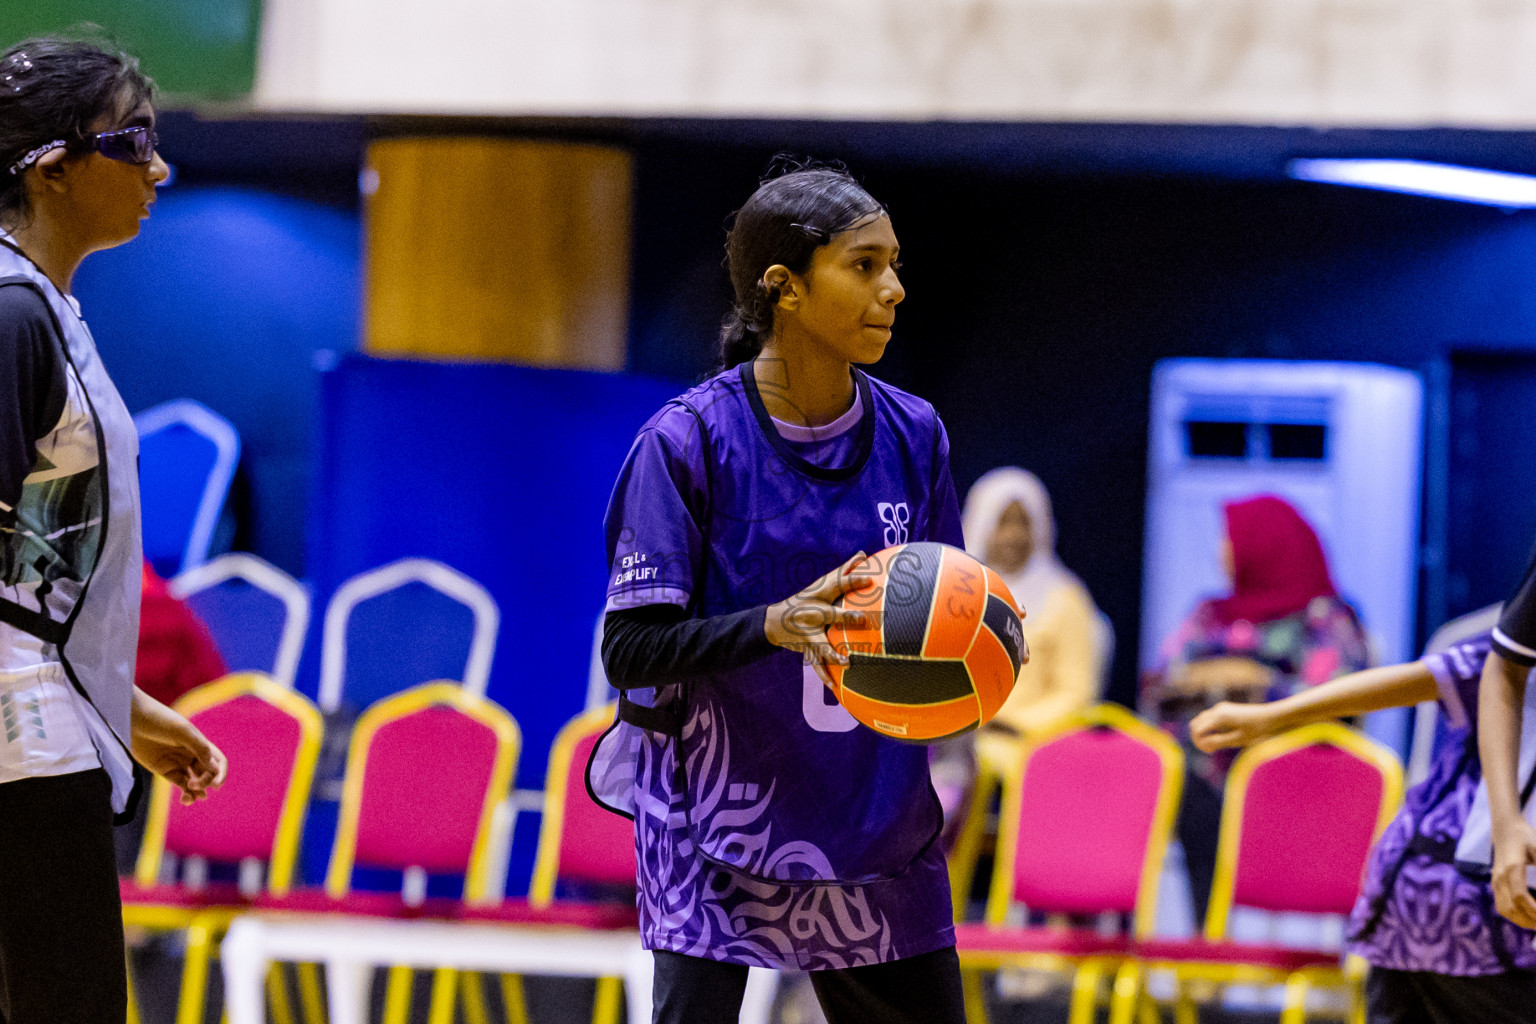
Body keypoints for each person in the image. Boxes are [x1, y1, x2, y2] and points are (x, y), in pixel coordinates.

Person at [586, 162, 983, 1024]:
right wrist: (772, 625)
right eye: (865, 265)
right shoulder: (687, 442)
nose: (895, 289)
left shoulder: (915, 435)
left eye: (896, 264)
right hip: (718, 816)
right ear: (785, 287)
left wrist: (986, 646)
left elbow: (944, 610)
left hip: (875, 811)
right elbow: (630, 649)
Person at [0, 37, 226, 1023]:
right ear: (50, 169)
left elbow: (22, 574)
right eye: (135, 142)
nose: (159, 169)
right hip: (19, 753)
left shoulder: (38, 307)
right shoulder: (11, 315)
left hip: (42, 730)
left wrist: (125, 708)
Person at [1191, 626, 1536, 1023]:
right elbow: (1412, 680)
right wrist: (1272, 717)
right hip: (1449, 887)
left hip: (1439, 893)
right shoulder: (1515, 641)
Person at [1141, 493, 1370, 923]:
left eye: (1229, 539)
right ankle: (1201, 950)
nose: (1220, 552)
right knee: (1169, 785)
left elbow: (1339, 697)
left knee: (1241, 785)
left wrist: (1254, 682)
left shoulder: (1324, 617)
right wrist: (1221, 678)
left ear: (1266, 544)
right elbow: (1159, 687)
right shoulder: (1210, 614)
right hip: (1203, 778)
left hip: (1293, 780)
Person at [962, 466, 1103, 778]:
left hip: (1026, 745)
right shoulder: (955, 593)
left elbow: (1077, 693)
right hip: (957, 735)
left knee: (970, 764)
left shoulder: (1066, 599)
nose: (1014, 535)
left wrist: (1012, 724)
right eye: (1003, 522)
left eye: (1023, 522)